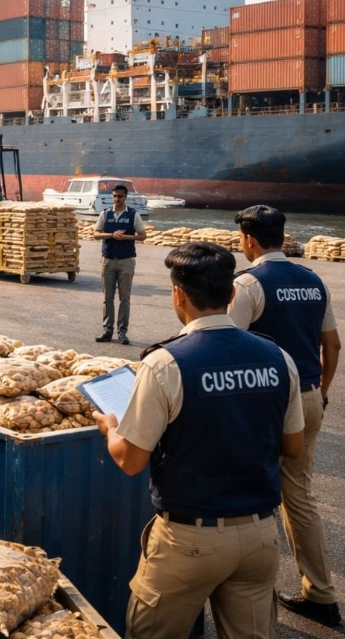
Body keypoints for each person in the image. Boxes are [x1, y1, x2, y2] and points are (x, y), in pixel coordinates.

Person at [93, 242, 304, 638]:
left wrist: (110, 427)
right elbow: (293, 448)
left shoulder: (165, 363)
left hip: (189, 538)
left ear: (178, 294)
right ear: (233, 294)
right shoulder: (279, 358)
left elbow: (131, 460)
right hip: (259, 537)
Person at [230, 205, 343, 627]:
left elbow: (228, 349)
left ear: (250, 241)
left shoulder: (249, 284)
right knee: (299, 498)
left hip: (266, 402)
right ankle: (321, 593)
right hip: (310, 397)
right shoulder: (314, 281)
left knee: (243, 494)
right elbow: (332, 346)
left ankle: (244, 598)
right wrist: (321, 394)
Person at [92, 185, 146, 345]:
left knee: (125, 298)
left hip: (126, 260)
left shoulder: (133, 215)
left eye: (120, 196)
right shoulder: (105, 213)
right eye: (114, 196)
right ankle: (107, 331)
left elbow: (143, 236)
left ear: (126, 197)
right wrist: (111, 235)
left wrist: (125, 237)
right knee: (107, 297)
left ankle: (122, 332)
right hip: (107, 260)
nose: (117, 199)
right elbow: (95, 234)